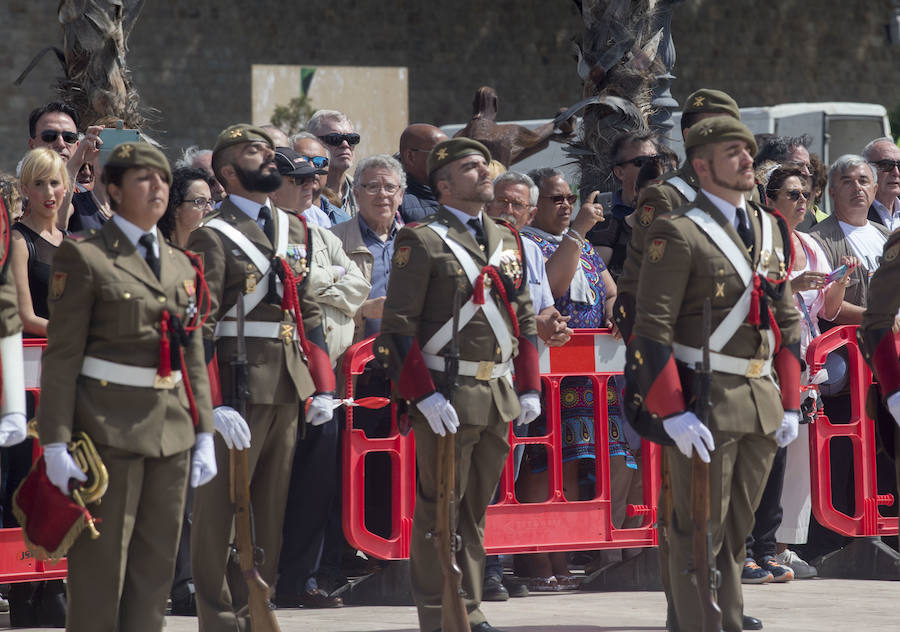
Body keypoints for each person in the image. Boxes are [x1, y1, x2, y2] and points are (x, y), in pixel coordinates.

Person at [626, 117, 801, 632]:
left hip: (760, 398)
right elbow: (651, 330)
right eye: (733, 152)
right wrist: (672, 410)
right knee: (696, 529)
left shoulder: (770, 227)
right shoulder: (677, 230)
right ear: (702, 165)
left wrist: (788, 400)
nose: (748, 159)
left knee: (736, 531)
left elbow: (786, 319)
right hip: (705, 397)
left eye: (748, 150)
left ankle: (724, 615)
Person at [36, 142, 217, 632]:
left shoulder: (181, 263)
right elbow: (62, 355)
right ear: (113, 191)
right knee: (101, 572)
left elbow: (192, 354)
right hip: (107, 431)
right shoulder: (85, 255)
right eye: (142, 179)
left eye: (162, 179)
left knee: (155, 572)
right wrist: (54, 440)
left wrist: (203, 431)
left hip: (173, 430)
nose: (157, 188)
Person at [374, 138, 540, 632]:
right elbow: (397, 329)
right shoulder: (421, 240)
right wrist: (422, 395)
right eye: (470, 167)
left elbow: (524, 319)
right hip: (446, 393)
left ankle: (468, 605)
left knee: (474, 511)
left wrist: (529, 386)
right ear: (444, 184)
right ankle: (440, 611)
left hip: (497, 395)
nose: (484, 172)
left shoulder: (507, 238)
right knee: (437, 510)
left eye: (484, 164)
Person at [186, 124, 335, 632]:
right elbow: (199, 326)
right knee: (221, 512)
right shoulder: (211, 234)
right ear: (229, 172)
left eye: (271, 151)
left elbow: (307, 308)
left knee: (269, 510)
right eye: (256, 152)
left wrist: (324, 384)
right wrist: (211, 403)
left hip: (288, 382)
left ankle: (256, 610)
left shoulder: (295, 228)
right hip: (236, 380)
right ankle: (220, 618)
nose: (270, 159)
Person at [516, 167, 640, 587]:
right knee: (547, 463)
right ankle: (540, 560)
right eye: (556, 199)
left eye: (570, 198)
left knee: (596, 460)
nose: (567, 205)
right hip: (551, 372)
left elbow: (608, 288)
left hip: (592, 376)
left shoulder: (582, 244)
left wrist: (612, 308)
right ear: (535, 208)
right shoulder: (530, 243)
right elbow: (553, 285)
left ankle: (578, 552)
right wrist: (579, 231)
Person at [764, 165, 853, 581]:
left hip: (806, 361)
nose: (803, 202)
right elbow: (752, 295)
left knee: (799, 456)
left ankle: (784, 547)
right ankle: (758, 545)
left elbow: (827, 312)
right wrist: (793, 285)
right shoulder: (763, 242)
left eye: (806, 195)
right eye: (793, 194)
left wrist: (838, 283)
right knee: (766, 457)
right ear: (770, 199)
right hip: (767, 359)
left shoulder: (812, 245)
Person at [586, 131, 658, 277]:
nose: (654, 167)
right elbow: (593, 276)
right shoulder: (603, 213)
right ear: (620, 172)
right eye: (642, 162)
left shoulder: (677, 205)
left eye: (656, 159)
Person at [307, 110, 360, 217]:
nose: (345, 144)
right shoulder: (300, 192)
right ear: (312, 142)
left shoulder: (364, 193)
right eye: (334, 139)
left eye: (352, 139)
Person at [291, 133, 351, 226]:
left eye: (319, 162)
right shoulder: (275, 215)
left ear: (327, 169)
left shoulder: (344, 222)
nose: (311, 168)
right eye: (303, 160)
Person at [398, 123, 449, 223]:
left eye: (449, 153)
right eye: (440, 153)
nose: (447, 160)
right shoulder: (394, 200)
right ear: (410, 157)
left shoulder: (456, 193)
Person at [159, 167, 216, 248]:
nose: (210, 210)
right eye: (200, 202)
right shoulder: (156, 252)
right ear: (175, 208)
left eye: (210, 202)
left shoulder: (212, 250)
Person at [862, 137, 900, 232]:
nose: (896, 172)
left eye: (899, 165)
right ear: (866, 169)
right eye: (886, 165)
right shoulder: (853, 215)